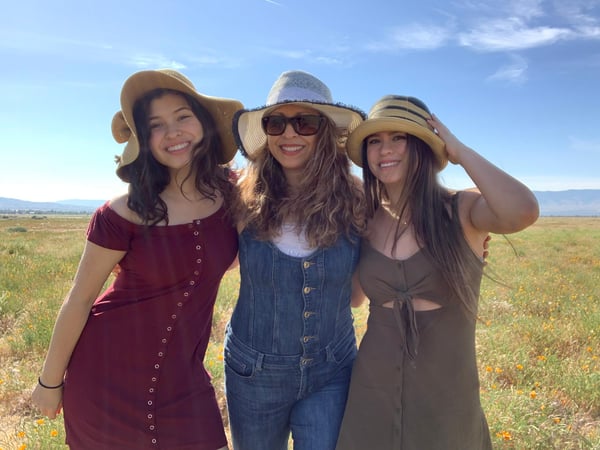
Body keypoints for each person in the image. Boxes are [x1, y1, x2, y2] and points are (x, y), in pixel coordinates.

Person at [31, 69, 242, 450]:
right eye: (156, 125)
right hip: (105, 380)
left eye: (183, 117)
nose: (173, 132)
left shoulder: (233, 194)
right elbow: (79, 299)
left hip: (185, 383)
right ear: (144, 141)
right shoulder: (123, 213)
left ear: (204, 124)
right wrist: (49, 382)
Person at [336, 95, 539, 450]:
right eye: (375, 141)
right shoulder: (365, 220)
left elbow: (522, 210)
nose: (385, 150)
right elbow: (354, 298)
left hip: (446, 393)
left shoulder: (461, 211)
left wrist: (458, 151)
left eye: (399, 137)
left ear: (426, 146)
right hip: (372, 389)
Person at [223, 70, 367, 450]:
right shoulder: (241, 198)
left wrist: (470, 233)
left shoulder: (358, 200)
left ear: (325, 133)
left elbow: (357, 297)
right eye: (277, 123)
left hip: (331, 371)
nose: (289, 134)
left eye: (305, 122)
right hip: (253, 375)